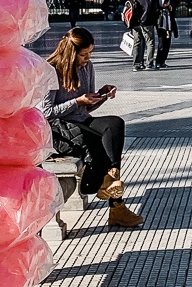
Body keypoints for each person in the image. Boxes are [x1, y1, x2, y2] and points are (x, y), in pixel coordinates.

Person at [41, 27, 142, 229]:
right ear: (71, 52)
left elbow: (88, 106)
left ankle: (112, 177)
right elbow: (45, 112)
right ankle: (117, 206)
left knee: (114, 124)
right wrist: (77, 101)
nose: (88, 58)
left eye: (90, 53)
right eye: (84, 54)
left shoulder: (88, 68)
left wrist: (101, 96)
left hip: (80, 121)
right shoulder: (51, 70)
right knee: (96, 141)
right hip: (58, 128)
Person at [128, 0, 160, 71]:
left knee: (137, 43)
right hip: (147, 22)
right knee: (150, 42)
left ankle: (136, 64)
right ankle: (149, 64)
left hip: (135, 23)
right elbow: (155, 10)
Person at [156, 0, 175, 69]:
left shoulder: (168, 10)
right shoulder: (161, 12)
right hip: (162, 28)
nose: (166, 4)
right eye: (165, 3)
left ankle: (162, 61)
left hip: (168, 28)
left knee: (166, 44)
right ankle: (159, 61)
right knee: (162, 44)